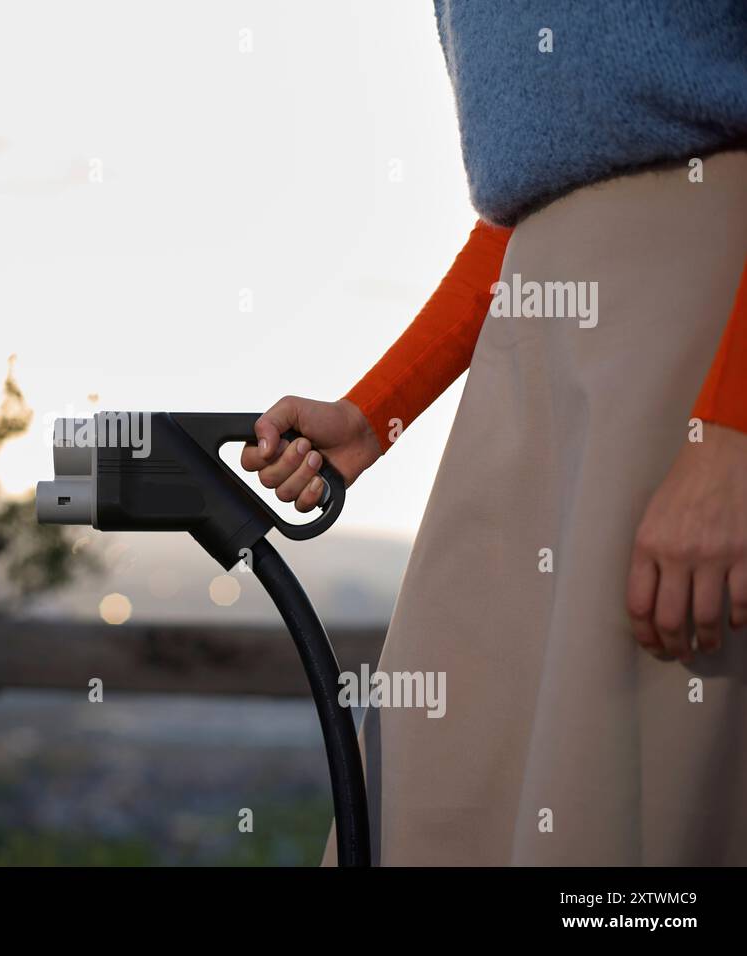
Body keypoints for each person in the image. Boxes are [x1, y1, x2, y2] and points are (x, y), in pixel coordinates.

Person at [243, 2, 747, 865]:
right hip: (531, 349)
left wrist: (733, 434)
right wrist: (376, 412)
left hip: (700, 327)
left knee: (631, 824)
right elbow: (535, 194)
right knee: (430, 797)